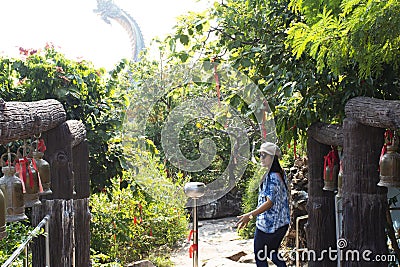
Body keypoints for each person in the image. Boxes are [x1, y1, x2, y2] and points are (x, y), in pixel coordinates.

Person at [237, 142, 290, 267]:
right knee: (272, 253)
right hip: (281, 224)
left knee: (260, 255)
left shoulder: (272, 177)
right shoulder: (280, 174)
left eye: (264, 155)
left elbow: (269, 202)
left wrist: (249, 215)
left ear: (272, 158)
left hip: (268, 225)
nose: (261, 158)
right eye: (260, 155)